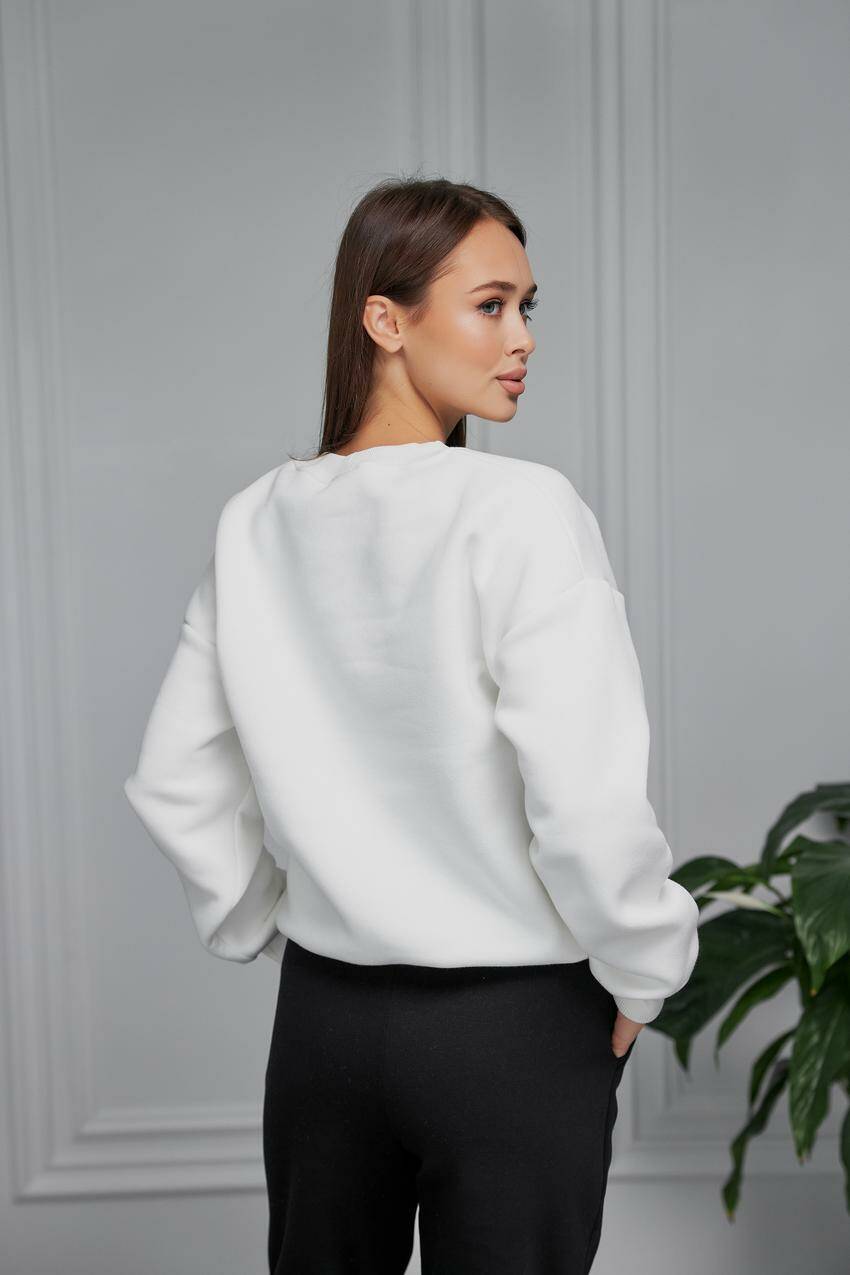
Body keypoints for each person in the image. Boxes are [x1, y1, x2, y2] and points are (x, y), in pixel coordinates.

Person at [123, 176, 700, 1274]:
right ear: (384, 320)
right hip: (512, 1029)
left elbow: (177, 779)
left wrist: (269, 920)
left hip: (323, 1027)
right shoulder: (521, 510)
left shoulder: (256, 520)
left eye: (527, 306)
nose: (522, 338)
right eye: (490, 305)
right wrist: (642, 970)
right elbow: (584, 800)